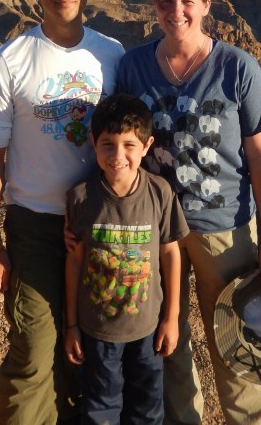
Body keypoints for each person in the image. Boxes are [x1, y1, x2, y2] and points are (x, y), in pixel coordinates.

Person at [116, 0, 261, 425]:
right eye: (167, 2)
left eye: (188, 1)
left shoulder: (237, 67)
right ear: (155, 6)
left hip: (225, 231)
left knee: (241, 345)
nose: (178, 11)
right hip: (156, 232)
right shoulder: (133, 68)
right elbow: (118, 147)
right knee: (166, 342)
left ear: (206, 6)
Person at [0, 0, 125, 425]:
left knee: (92, 353)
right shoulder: (10, 59)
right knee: (34, 352)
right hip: (36, 227)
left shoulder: (112, 56)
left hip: (100, 226)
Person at [64, 93, 189, 425]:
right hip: (99, 331)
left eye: (129, 145)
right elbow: (75, 262)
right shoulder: (81, 197)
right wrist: (72, 325)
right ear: (93, 143)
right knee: (101, 406)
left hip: (147, 330)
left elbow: (170, 253)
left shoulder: (160, 193)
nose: (118, 155)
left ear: (146, 146)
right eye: (108, 144)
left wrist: (171, 318)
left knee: (147, 406)